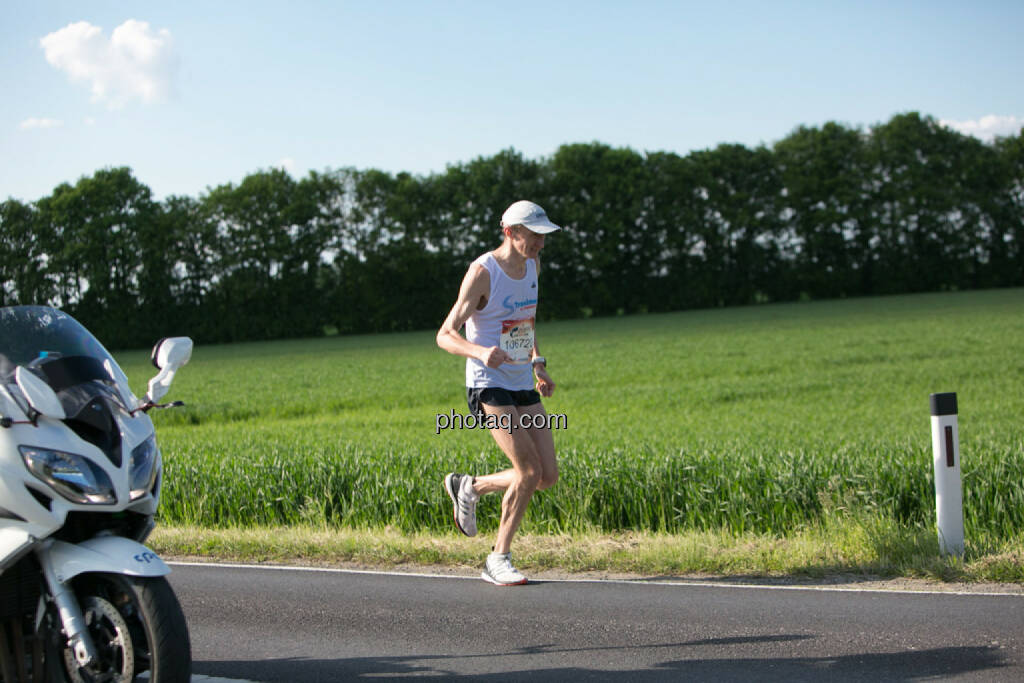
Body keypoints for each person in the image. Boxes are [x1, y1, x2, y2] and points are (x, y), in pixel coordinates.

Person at [436, 199, 561, 586]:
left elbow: (527, 320)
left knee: (546, 476)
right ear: (511, 232)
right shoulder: (482, 273)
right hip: (488, 384)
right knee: (526, 471)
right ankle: (498, 557)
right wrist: (479, 351)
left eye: (544, 237)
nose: (540, 244)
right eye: (534, 236)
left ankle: (470, 486)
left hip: (522, 380)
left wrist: (538, 363)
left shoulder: (533, 266)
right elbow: (444, 334)